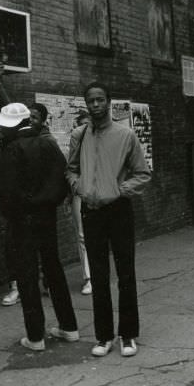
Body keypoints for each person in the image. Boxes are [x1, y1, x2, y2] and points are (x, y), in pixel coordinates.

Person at [66, 81, 151, 357]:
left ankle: (127, 335)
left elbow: (143, 174)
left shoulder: (125, 135)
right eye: (91, 101)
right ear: (86, 104)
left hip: (119, 210)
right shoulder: (80, 135)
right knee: (99, 276)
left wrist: (119, 191)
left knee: (126, 273)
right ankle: (104, 337)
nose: (95, 105)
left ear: (109, 102)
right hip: (91, 211)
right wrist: (80, 187)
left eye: (100, 100)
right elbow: (71, 170)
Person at [0, 103, 79, 350]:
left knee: (27, 275)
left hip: (22, 220)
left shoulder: (12, 149)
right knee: (54, 269)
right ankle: (69, 327)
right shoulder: (48, 144)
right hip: (47, 216)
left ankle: (35, 336)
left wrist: (15, 212)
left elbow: (6, 191)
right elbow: (62, 179)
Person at [29, 101, 92, 296]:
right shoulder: (72, 145)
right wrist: (70, 189)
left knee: (92, 235)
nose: (82, 129)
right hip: (78, 192)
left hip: (99, 191)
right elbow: (68, 169)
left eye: (86, 125)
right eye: (80, 125)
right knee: (81, 235)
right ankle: (89, 277)